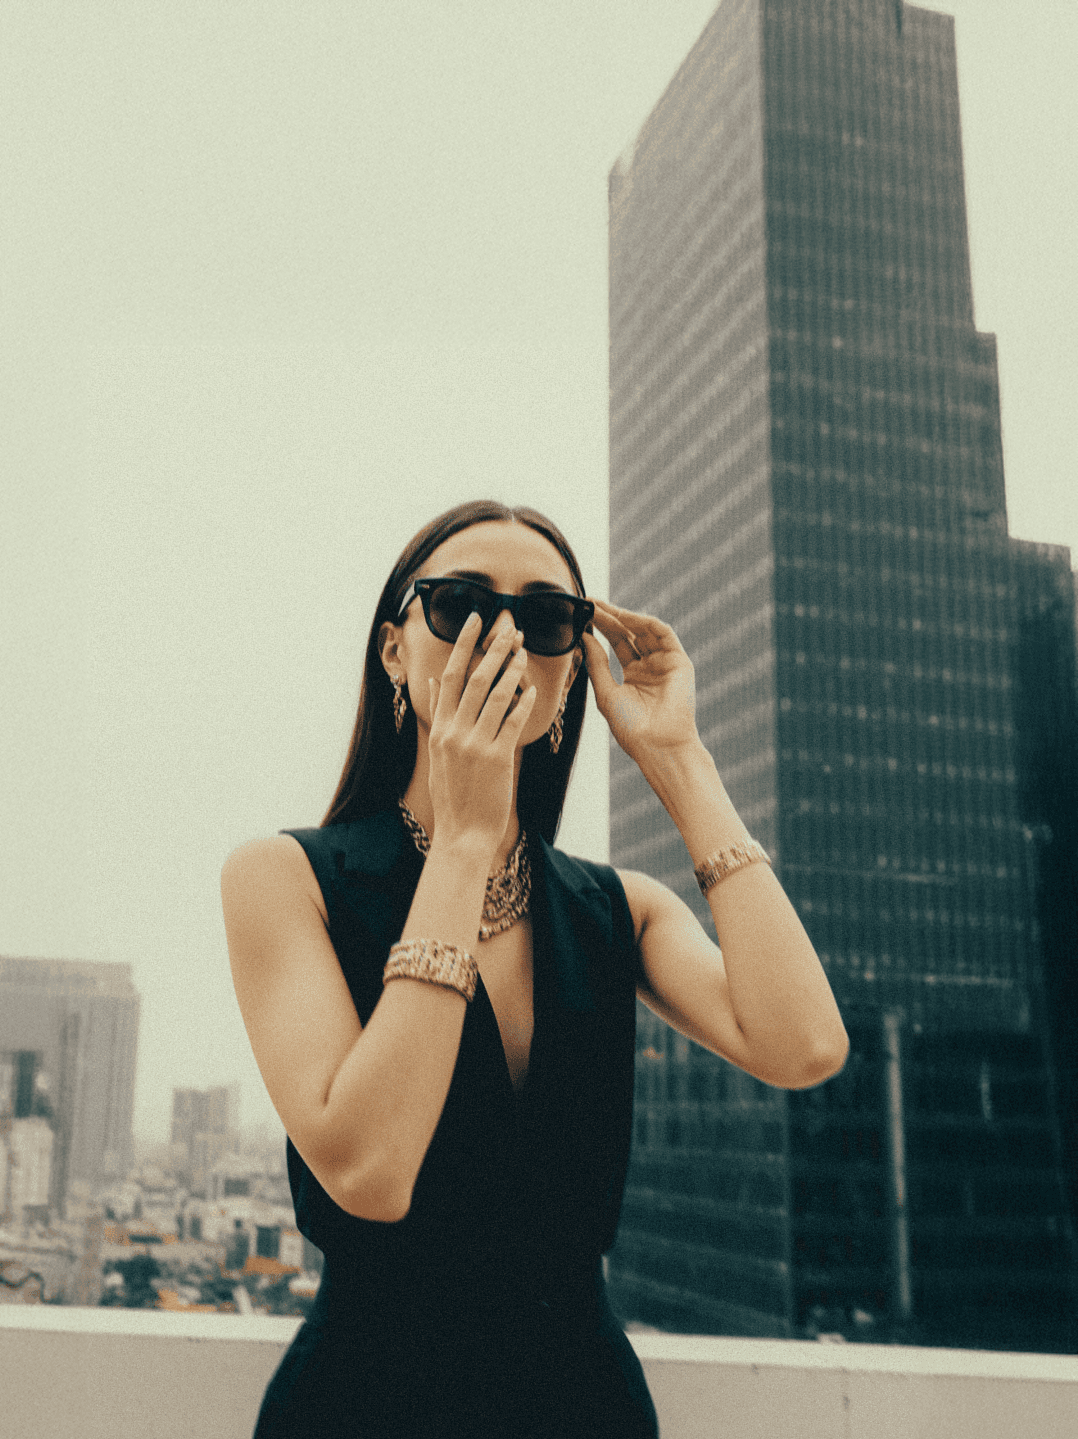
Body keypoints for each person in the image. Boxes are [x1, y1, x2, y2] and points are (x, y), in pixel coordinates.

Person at [221, 499, 848, 1438]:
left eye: (547, 617)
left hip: (583, 1404)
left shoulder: (615, 908)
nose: (504, 635)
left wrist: (678, 758)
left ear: (572, 671)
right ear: (396, 649)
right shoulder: (285, 878)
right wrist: (464, 838)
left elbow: (803, 1045)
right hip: (366, 1402)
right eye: (462, 603)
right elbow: (370, 1169)